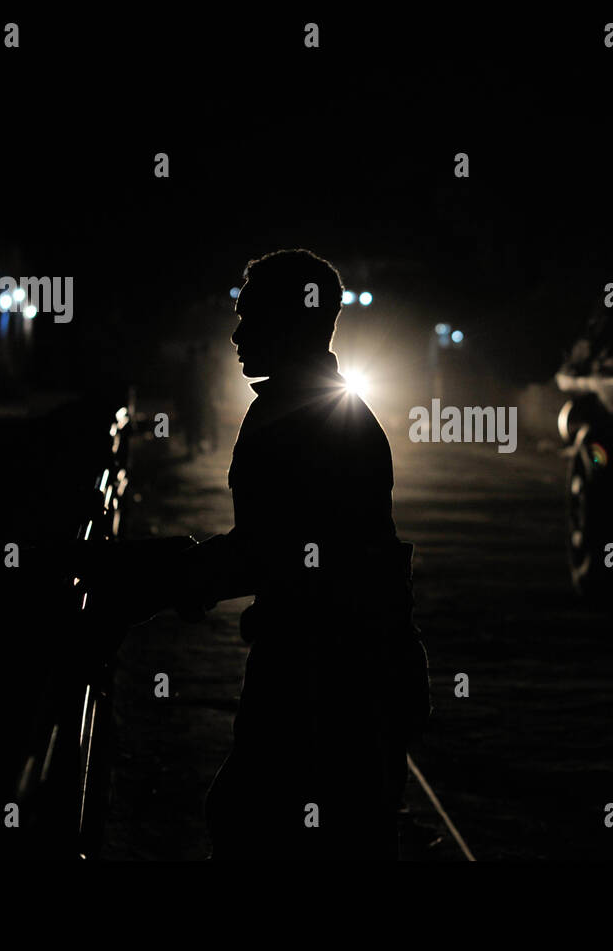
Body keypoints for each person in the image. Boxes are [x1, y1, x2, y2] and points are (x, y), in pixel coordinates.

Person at [169, 249, 430, 860]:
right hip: (351, 672)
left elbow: (270, 554)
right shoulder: (321, 410)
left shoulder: (295, 419)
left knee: (257, 826)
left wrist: (169, 577)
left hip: (321, 681)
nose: (235, 333)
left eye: (248, 315)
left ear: (289, 322)